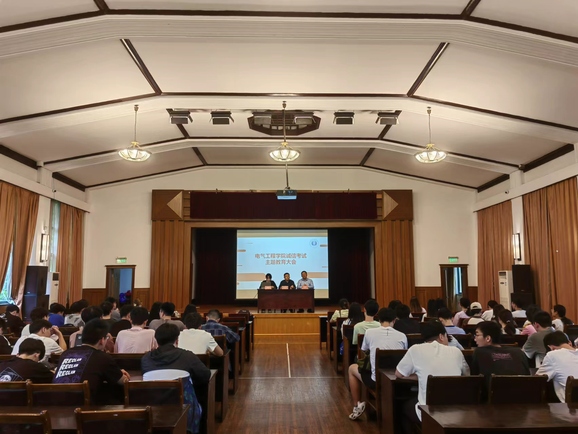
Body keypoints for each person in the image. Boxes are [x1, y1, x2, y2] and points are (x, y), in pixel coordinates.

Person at [395, 321, 470, 432]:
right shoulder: (456, 351)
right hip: (456, 411)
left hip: (429, 412)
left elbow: (399, 374)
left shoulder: (415, 349)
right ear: (441, 336)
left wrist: (419, 376)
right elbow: (467, 375)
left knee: (403, 407)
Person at [348, 308, 407, 420]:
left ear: (378, 319)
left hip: (376, 380)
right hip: (396, 379)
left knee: (352, 368)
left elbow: (364, 350)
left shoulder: (370, 333)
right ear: (394, 320)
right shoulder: (402, 336)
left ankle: (357, 406)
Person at [53, 319, 130, 404]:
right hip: (82, 405)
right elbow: (122, 381)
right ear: (102, 340)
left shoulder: (66, 353)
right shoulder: (102, 357)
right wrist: (120, 374)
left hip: (55, 401)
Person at [471, 321, 530, 398]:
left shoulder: (479, 352)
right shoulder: (518, 352)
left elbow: (474, 381)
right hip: (523, 399)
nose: (475, 339)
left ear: (488, 338)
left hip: (492, 400)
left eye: (477, 335)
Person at [142, 323, 211, 385]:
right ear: (177, 340)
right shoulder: (188, 356)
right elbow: (206, 375)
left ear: (156, 340)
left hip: (153, 395)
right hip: (183, 395)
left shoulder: (146, 359)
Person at [536, 331, 578, 403]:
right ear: (570, 343)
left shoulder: (552, 355)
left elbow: (537, 381)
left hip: (570, 407)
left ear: (551, 348)